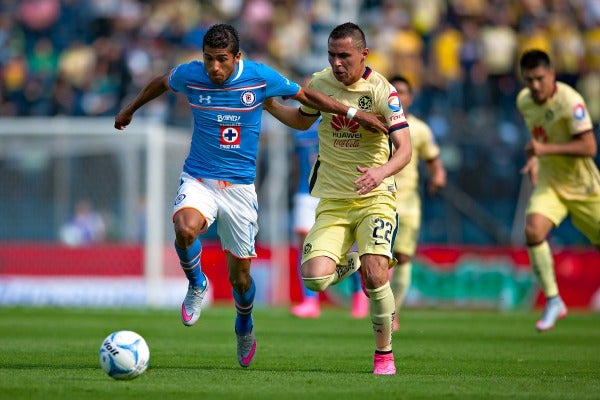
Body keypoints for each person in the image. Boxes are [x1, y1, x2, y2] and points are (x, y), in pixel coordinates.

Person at [113, 23, 387, 369]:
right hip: (200, 177)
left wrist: (354, 113)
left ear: (237, 57)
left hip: (240, 189)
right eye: (209, 59)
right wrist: (130, 109)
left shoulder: (258, 76)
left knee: (240, 277)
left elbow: (306, 96)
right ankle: (197, 284)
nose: (214, 68)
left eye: (222, 60)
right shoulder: (191, 75)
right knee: (184, 228)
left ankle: (244, 324)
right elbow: (160, 82)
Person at [264, 22, 412, 375]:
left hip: (374, 198)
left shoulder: (382, 91)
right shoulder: (319, 83)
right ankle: (355, 262)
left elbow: (404, 149)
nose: (337, 63)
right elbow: (302, 122)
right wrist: (269, 107)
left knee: (377, 276)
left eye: (344, 56)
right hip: (332, 200)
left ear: (364, 54)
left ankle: (384, 356)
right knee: (314, 279)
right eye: (331, 55)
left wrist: (380, 172)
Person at [516, 49, 600, 332]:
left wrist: (544, 150)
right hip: (551, 185)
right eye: (529, 80)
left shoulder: (570, 101)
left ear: (551, 74)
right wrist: (535, 158)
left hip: (584, 188)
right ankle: (553, 300)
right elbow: (538, 134)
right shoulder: (524, 101)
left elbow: (589, 147)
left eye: (540, 78)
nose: (536, 86)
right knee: (533, 229)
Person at [290, 117, 368, 319]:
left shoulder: (341, 124)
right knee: (305, 244)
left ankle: (358, 297)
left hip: (333, 192)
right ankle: (310, 301)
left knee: (347, 245)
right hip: (305, 192)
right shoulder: (300, 128)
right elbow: (297, 163)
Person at [388, 75, 447, 331]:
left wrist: (438, 177)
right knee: (375, 258)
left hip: (409, 204)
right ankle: (375, 302)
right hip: (378, 200)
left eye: (403, 92)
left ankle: (393, 312)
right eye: (395, 91)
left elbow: (434, 161)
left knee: (403, 257)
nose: (399, 96)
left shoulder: (420, 129)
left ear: (411, 97)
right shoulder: (375, 124)